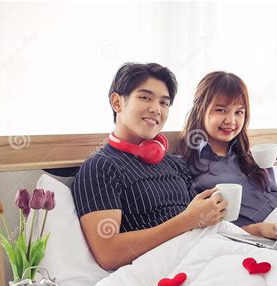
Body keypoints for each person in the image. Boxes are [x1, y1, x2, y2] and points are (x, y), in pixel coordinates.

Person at [72, 63, 226, 271]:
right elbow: (108, 253)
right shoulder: (100, 167)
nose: (156, 109)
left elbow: (198, 223)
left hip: (207, 256)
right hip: (163, 272)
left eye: (164, 102)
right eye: (145, 97)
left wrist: (254, 230)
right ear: (117, 102)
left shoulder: (175, 163)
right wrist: (187, 220)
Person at [178, 71, 277, 240]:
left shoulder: (251, 157)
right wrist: (259, 230)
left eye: (239, 112)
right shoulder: (185, 167)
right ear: (200, 110)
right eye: (221, 110)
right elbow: (202, 230)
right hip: (256, 240)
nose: (231, 120)